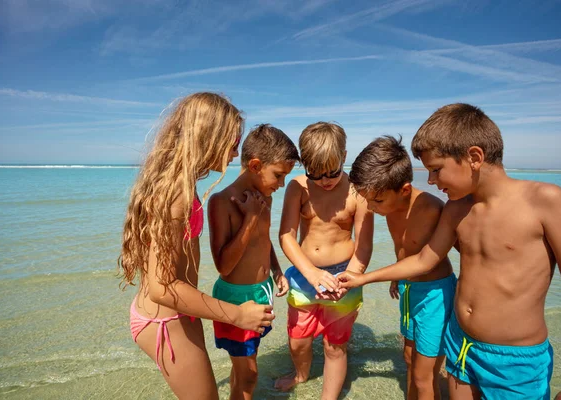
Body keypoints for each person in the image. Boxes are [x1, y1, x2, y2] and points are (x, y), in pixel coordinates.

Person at [340, 103, 561, 399]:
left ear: (474, 157)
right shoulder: (457, 209)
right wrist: (362, 278)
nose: (430, 181)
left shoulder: (546, 201)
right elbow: (423, 259)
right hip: (461, 345)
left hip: (514, 360)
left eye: (435, 170)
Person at [118, 93, 274, 400]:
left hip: (177, 313)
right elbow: (161, 287)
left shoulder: (177, 185)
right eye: (232, 142)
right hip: (165, 321)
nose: (234, 152)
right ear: (207, 138)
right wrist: (237, 315)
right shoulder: (177, 197)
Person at [348, 135, 456, 399]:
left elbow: (426, 259)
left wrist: (365, 278)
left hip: (435, 295)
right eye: (367, 200)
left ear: (404, 190)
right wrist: (398, 275)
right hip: (409, 289)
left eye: (377, 201)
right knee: (409, 358)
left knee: (424, 376)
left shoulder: (432, 209)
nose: (370, 207)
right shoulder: (390, 206)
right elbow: (405, 247)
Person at [274, 122, 374, 399]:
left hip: (345, 275)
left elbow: (364, 245)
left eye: (332, 172)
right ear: (304, 164)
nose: (325, 181)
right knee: (298, 341)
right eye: (315, 174)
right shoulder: (298, 188)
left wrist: (351, 277)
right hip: (304, 275)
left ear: (344, 155)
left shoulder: (358, 192)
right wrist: (311, 274)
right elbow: (286, 236)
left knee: (335, 346)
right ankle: (301, 374)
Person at [208, 124, 299, 400]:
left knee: (243, 367)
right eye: (279, 175)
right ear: (256, 165)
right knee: (250, 374)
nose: (281, 184)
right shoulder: (221, 202)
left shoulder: (265, 199)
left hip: (261, 293)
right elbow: (224, 265)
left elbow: (264, 240)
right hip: (236, 300)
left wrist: (277, 270)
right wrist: (249, 218)